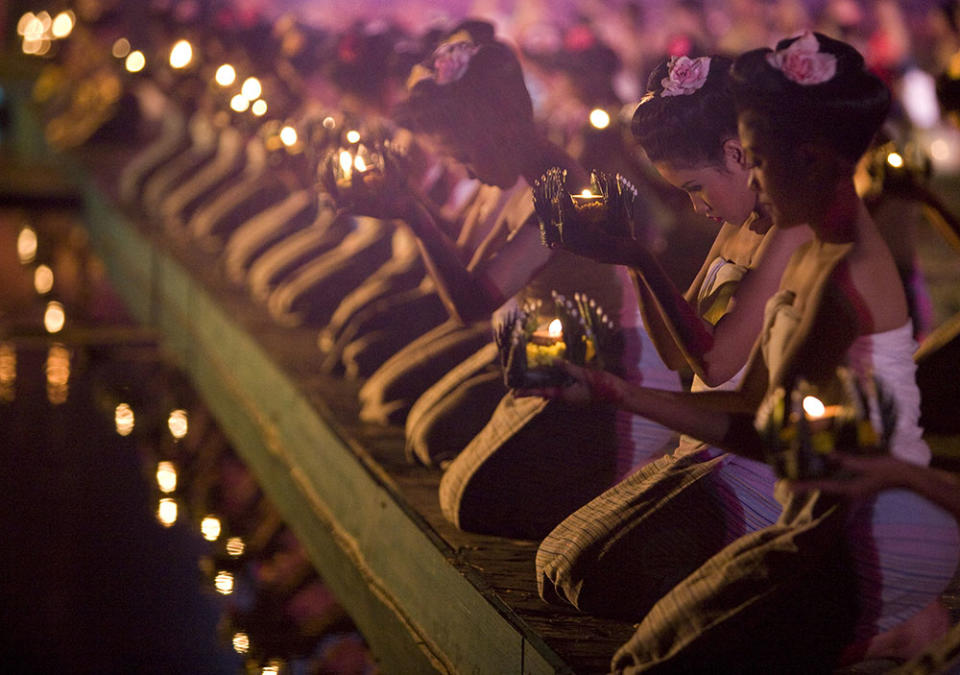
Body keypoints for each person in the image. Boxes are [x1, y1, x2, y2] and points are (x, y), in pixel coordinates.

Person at [521, 32, 959, 671]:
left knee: (637, 652)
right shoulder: (794, 241)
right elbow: (699, 368)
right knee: (562, 568)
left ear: (805, 157)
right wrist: (633, 262)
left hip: (856, 522)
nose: (751, 177)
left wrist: (623, 391)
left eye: (755, 158)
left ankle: (890, 626)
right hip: (799, 495)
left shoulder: (836, 265)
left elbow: (738, 394)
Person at [350, 21, 682, 539]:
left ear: (494, 130)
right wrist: (402, 206)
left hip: (606, 375)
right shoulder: (523, 173)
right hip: (543, 354)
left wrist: (413, 214)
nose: (467, 172)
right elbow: (468, 266)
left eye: (464, 156)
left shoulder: (563, 188)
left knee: (467, 501)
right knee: (425, 442)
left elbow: (472, 303)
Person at [535, 53, 812, 620]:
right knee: (555, 561)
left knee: (603, 581)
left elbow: (715, 363)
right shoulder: (738, 224)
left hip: (766, 467)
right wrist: (631, 261)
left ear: (737, 154)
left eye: (694, 188)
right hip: (703, 450)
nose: (694, 206)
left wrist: (642, 257)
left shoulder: (793, 230)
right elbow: (676, 354)